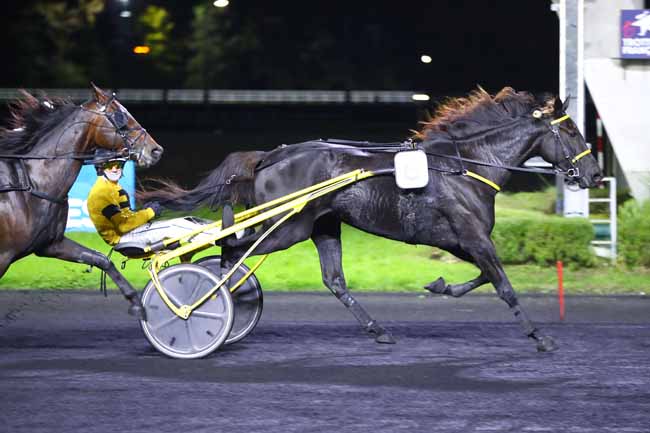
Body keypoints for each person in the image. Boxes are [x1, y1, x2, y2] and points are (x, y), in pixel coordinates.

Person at [87, 149, 220, 257]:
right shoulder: (101, 193)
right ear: (101, 168)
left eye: (119, 165)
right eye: (111, 166)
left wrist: (143, 212)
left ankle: (219, 230)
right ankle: (221, 237)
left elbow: (126, 217)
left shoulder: (112, 188)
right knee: (174, 226)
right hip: (125, 238)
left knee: (186, 220)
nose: (116, 169)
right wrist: (149, 212)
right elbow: (123, 226)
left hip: (132, 233)